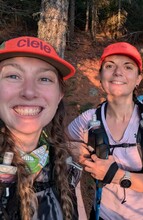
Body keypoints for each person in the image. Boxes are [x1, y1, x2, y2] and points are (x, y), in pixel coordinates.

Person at [67, 42, 143, 220]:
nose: (118, 72)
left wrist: (117, 175)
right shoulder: (88, 120)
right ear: (100, 76)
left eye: (128, 67)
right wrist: (76, 151)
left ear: (138, 79)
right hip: (102, 215)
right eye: (109, 66)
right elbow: (59, 142)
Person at [0, 36, 83, 220]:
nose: (29, 92)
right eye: (13, 76)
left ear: (59, 94)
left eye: (44, 78)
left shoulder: (66, 165)